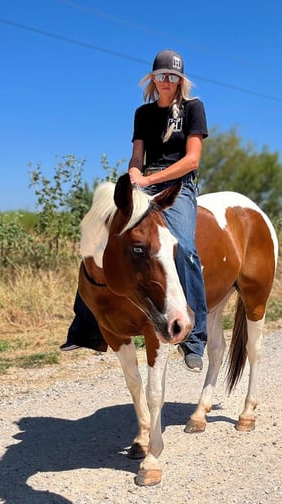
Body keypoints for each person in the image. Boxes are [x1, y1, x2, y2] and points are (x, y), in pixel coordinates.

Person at [61, 49, 208, 373]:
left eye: (172, 76)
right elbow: (136, 156)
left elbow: (192, 159)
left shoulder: (193, 109)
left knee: (184, 248)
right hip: (144, 183)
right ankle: (85, 326)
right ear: (152, 79)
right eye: (161, 75)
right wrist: (134, 175)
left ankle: (194, 338)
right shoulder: (143, 113)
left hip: (176, 185)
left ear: (180, 81)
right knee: (98, 234)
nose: (166, 81)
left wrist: (151, 178)